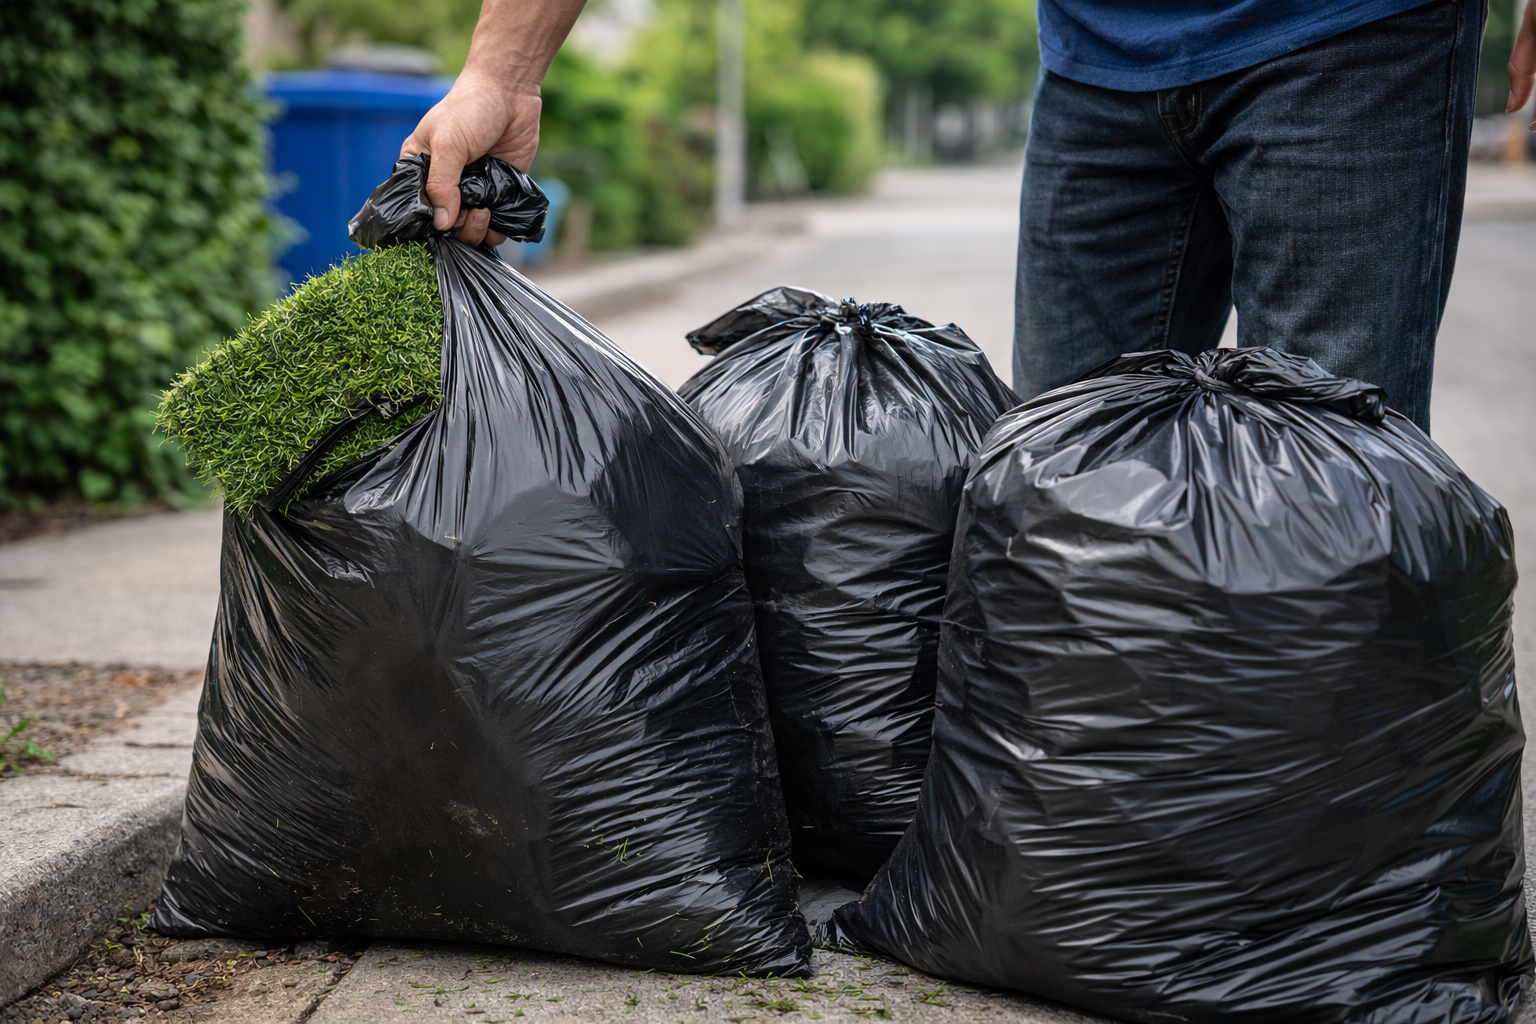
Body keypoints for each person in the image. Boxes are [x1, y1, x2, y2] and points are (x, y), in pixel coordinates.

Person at [406, 0, 1536, 432]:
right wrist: (503, 70)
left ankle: (1333, 873)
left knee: (1335, 479)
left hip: (1354, 32)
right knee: (1057, 485)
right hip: (1097, 51)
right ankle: (1104, 849)